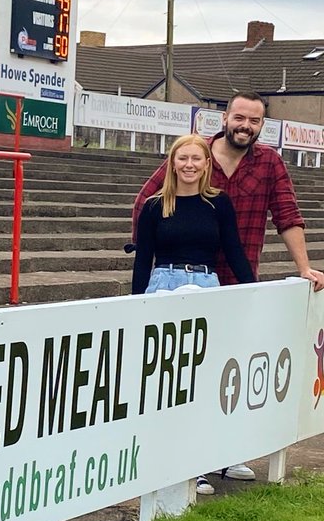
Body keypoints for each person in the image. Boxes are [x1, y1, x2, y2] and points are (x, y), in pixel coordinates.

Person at [132, 91, 324, 494]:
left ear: (261, 126)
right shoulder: (194, 154)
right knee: (187, 373)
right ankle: (188, 459)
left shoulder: (269, 163)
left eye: (254, 121)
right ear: (225, 117)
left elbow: (287, 214)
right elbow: (146, 201)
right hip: (179, 282)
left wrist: (303, 267)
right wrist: (150, 252)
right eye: (240, 117)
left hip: (232, 280)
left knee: (225, 370)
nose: (245, 126)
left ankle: (223, 451)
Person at [131, 134, 255, 296]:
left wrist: (255, 291)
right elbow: (143, 261)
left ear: (206, 164)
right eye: (183, 158)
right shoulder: (153, 206)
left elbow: (234, 252)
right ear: (173, 164)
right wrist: (136, 303)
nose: (189, 165)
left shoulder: (220, 203)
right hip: (164, 284)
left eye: (196, 159)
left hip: (206, 283)